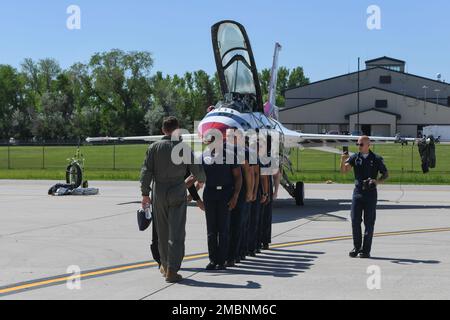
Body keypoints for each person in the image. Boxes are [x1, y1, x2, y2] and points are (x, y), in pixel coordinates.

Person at [140, 116, 206, 283]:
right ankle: (172, 269)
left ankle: (164, 265)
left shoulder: (153, 147)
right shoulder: (183, 148)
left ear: (163, 130)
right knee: (176, 232)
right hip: (177, 189)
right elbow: (197, 171)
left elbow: (146, 172)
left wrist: (145, 194)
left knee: (161, 231)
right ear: (177, 130)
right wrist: (199, 181)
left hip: (159, 191)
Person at [340, 136, 389, 259]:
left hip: (371, 194)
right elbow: (344, 171)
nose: (359, 146)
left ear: (368, 145)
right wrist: (342, 160)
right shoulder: (355, 158)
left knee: (369, 222)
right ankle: (356, 247)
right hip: (358, 193)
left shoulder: (376, 159)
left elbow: (386, 174)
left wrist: (376, 182)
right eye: (358, 144)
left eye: (361, 144)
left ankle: (365, 250)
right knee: (355, 220)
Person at [202, 135, 242, 271]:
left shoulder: (230, 155)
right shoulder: (204, 156)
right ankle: (213, 259)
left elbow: (238, 177)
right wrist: (193, 196)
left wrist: (235, 196)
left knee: (224, 229)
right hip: (209, 194)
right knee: (211, 230)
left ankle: (222, 260)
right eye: (209, 142)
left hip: (225, 194)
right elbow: (198, 177)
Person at [225, 129, 255, 267]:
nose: (230, 138)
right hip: (226, 191)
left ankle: (235, 254)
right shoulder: (224, 150)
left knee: (238, 224)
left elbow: (249, 173)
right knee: (227, 225)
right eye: (228, 136)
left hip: (240, 191)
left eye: (233, 136)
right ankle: (230, 253)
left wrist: (250, 191)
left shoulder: (243, 151)